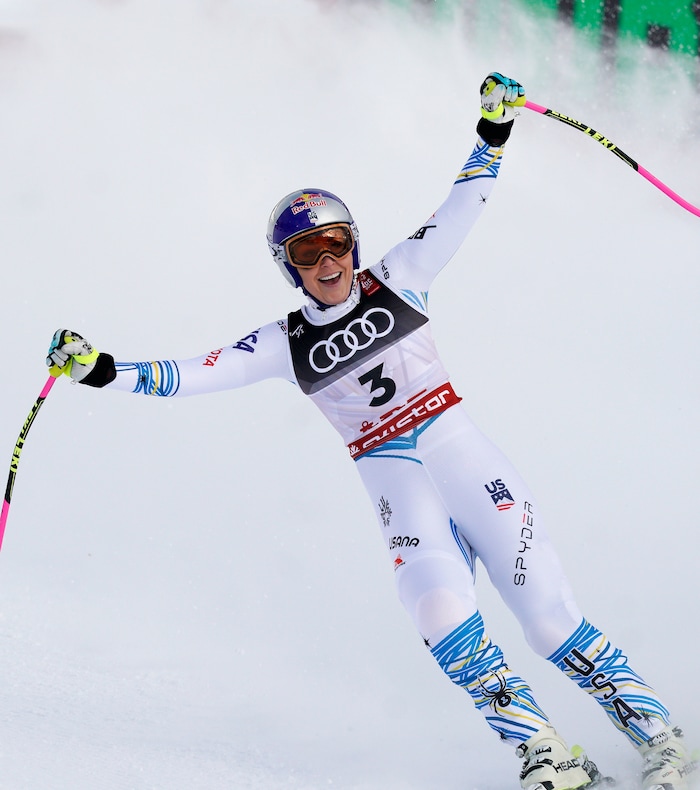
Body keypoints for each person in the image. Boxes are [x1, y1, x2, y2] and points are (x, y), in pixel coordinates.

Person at [46, 73, 695, 790]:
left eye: (336, 243)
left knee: (545, 620)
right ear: (289, 270)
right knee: (440, 615)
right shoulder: (282, 343)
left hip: (462, 457)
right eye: (307, 254)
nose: (328, 263)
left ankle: (661, 736)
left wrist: (492, 128)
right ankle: (547, 752)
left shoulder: (401, 276)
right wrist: (102, 369)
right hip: (394, 482)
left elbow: (461, 206)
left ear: (355, 242)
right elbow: (189, 373)